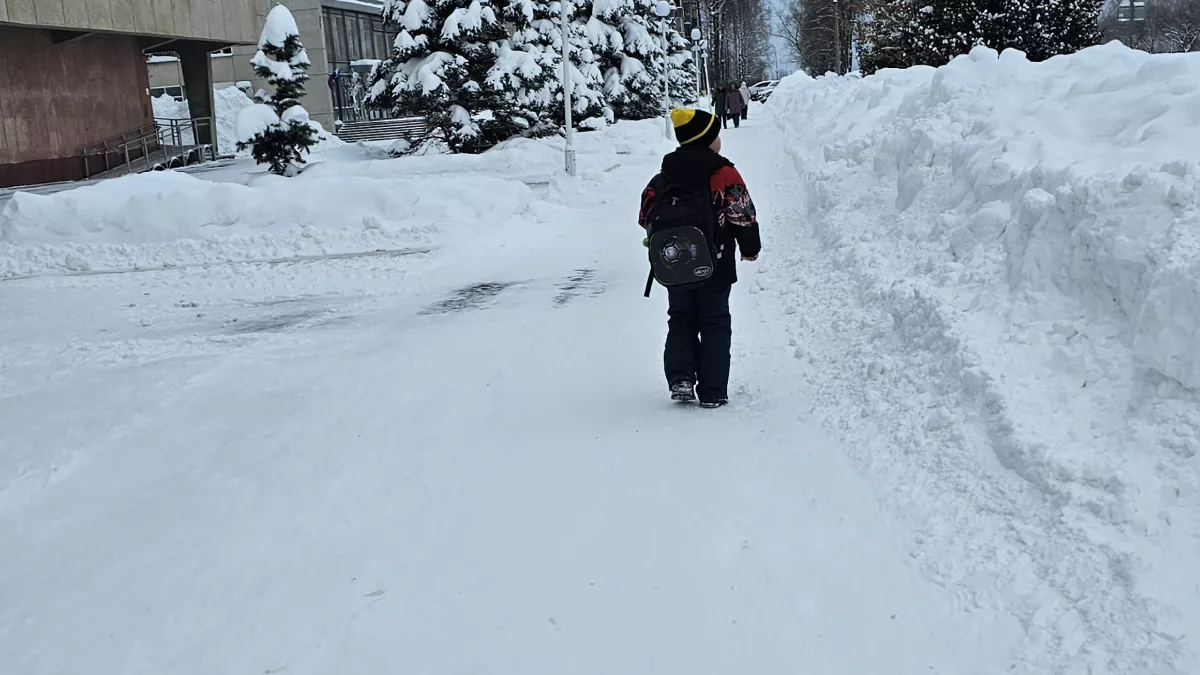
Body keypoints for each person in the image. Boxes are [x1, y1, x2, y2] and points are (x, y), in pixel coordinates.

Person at [638, 108, 761, 408]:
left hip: (675, 264)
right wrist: (750, 248)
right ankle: (713, 390)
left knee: (680, 317)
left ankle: (680, 378)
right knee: (715, 320)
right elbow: (741, 214)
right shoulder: (723, 173)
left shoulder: (663, 176)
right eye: (715, 134)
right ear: (705, 140)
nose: (719, 139)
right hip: (715, 263)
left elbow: (645, 215)